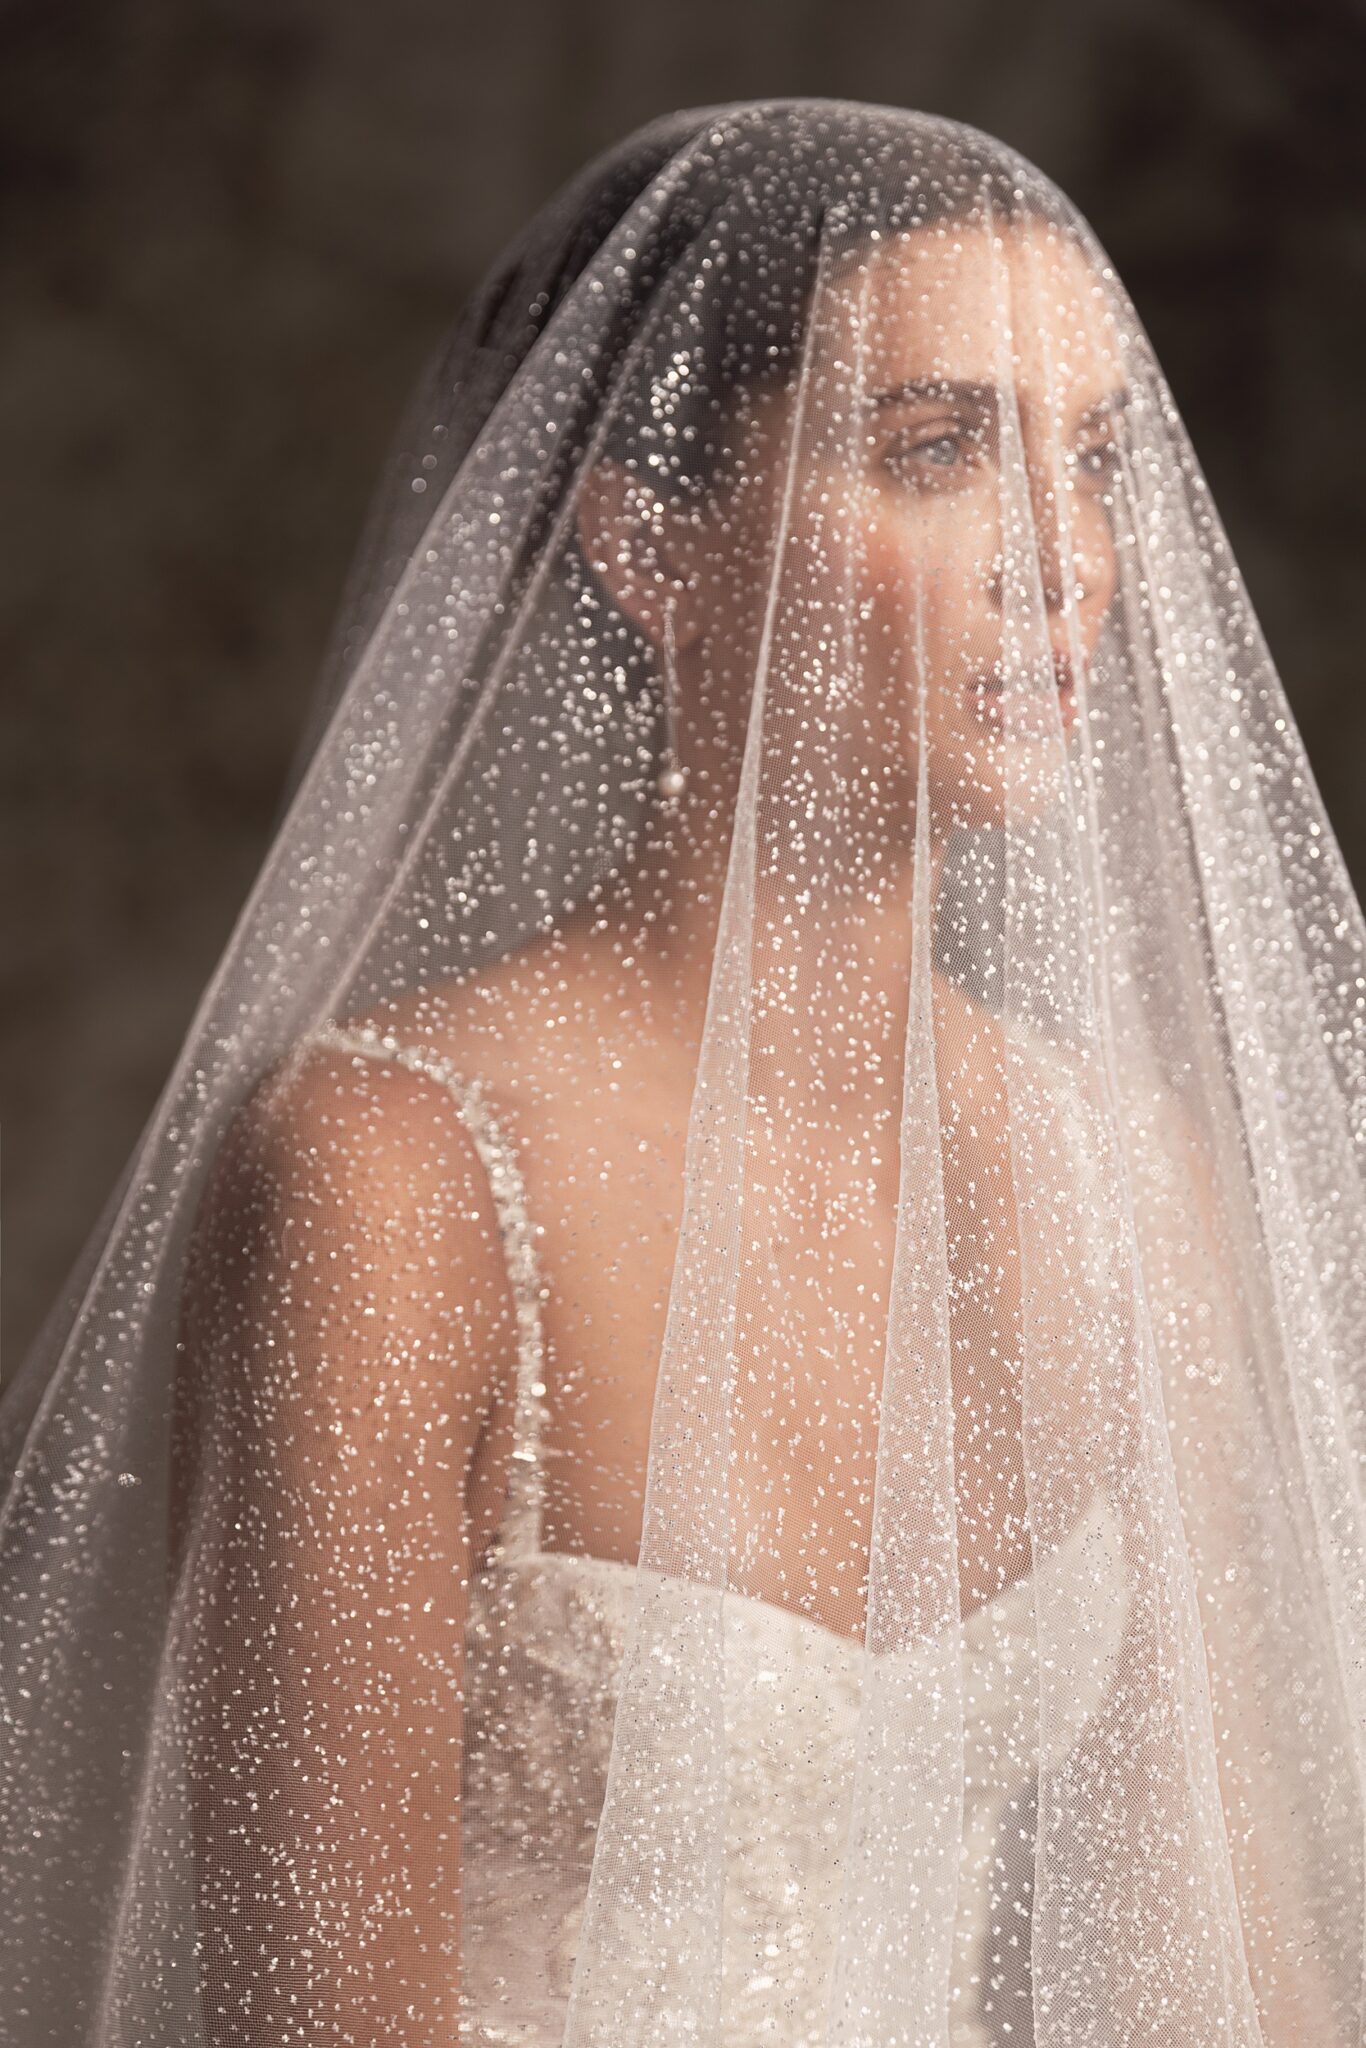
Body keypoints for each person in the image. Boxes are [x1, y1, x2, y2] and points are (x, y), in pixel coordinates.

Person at [1, 98, 1361, 2047]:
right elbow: (312, 2016)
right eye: (938, 451)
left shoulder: (1122, 1180)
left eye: (1092, 460)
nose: (1061, 560)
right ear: (650, 543)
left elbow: (1216, 1966)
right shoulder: (392, 1171)